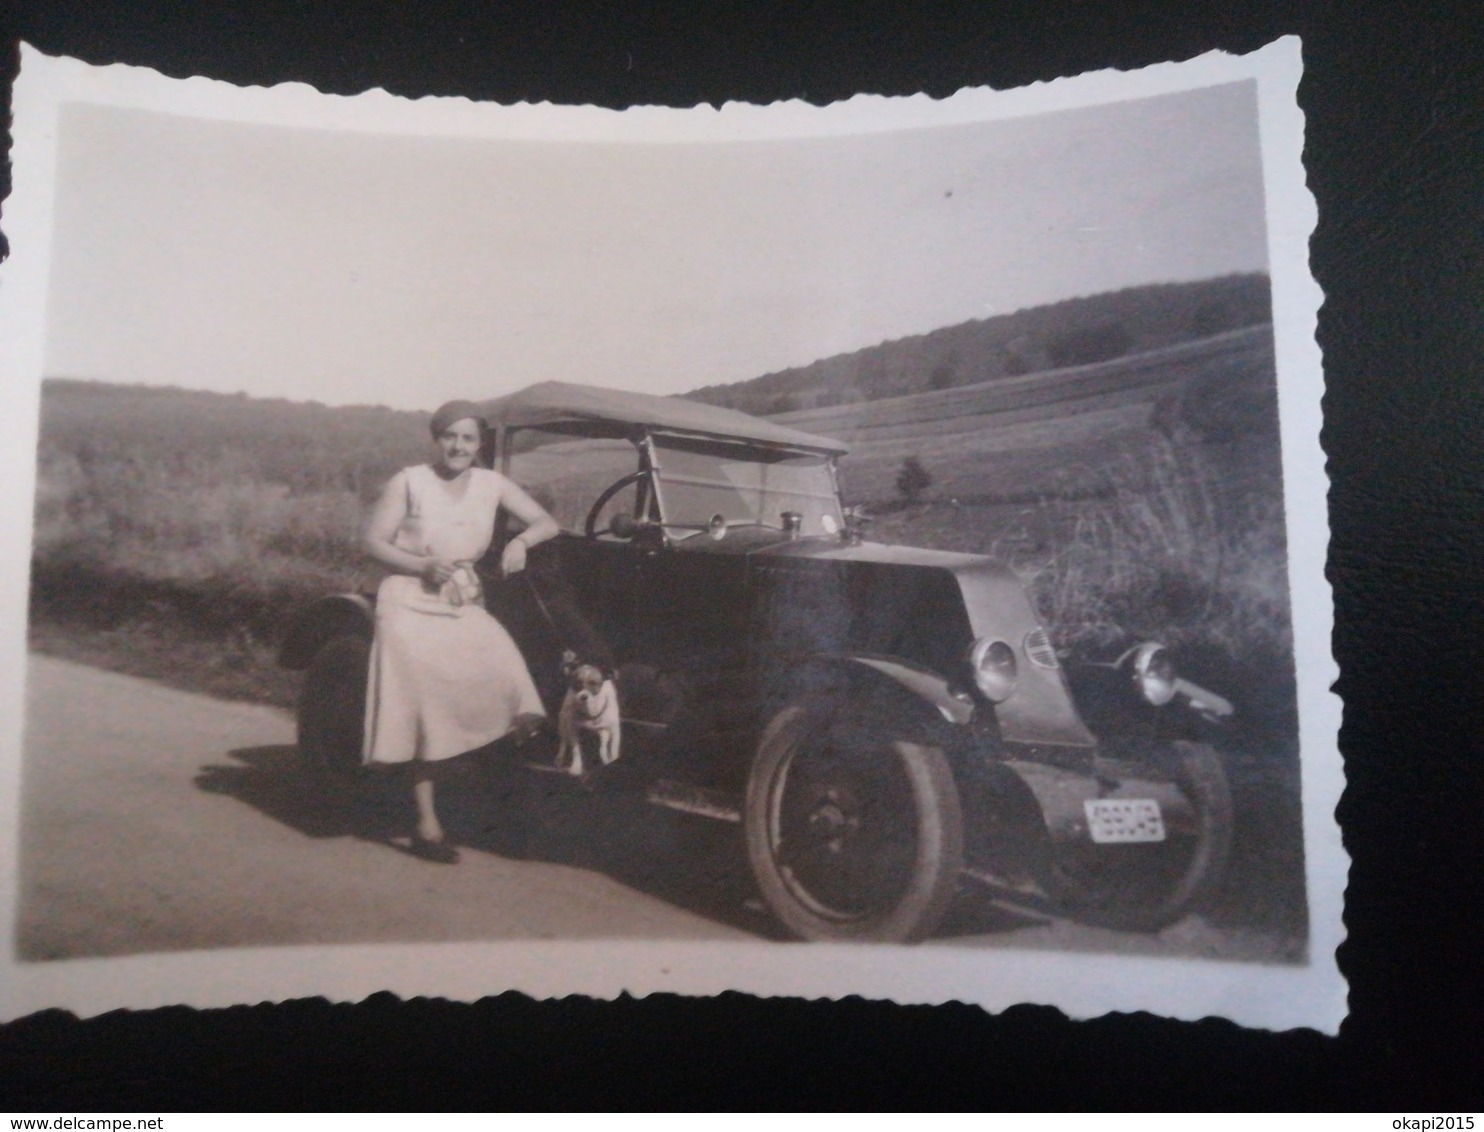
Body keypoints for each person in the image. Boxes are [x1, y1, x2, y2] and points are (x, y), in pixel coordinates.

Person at [361, 399, 559, 863]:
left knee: (509, 677)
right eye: (450, 436)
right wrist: (422, 565)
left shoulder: (492, 484)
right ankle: (426, 824)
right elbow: (372, 542)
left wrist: (521, 541)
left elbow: (547, 522)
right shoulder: (409, 481)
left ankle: (490, 798)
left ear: (479, 444)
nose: (458, 446)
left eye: (468, 438)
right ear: (437, 438)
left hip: (460, 599)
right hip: (408, 599)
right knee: (429, 702)